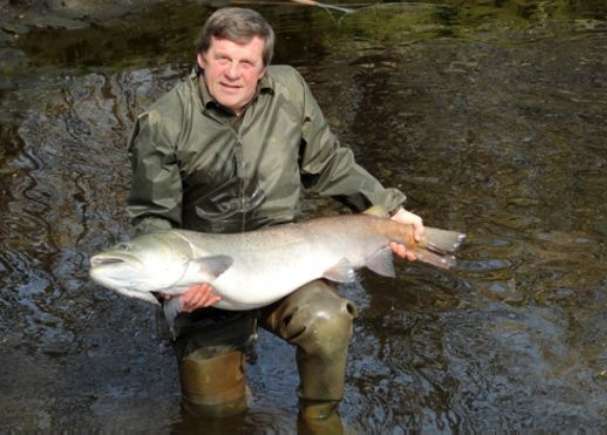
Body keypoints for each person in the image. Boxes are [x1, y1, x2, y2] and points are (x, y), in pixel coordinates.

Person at [125, 6, 424, 430]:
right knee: (215, 418)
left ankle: (319, 418)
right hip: (208, 285)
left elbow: (329, 163)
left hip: (285, 263)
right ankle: (229, 362)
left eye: (246, 62)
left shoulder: (290, 90)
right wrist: (171, 288)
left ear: (263, 68)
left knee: (328, 322)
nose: (233, 73)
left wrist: (391, 208)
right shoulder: (163, 122)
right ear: (201, 58)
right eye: (223, 59)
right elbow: (153, 220)